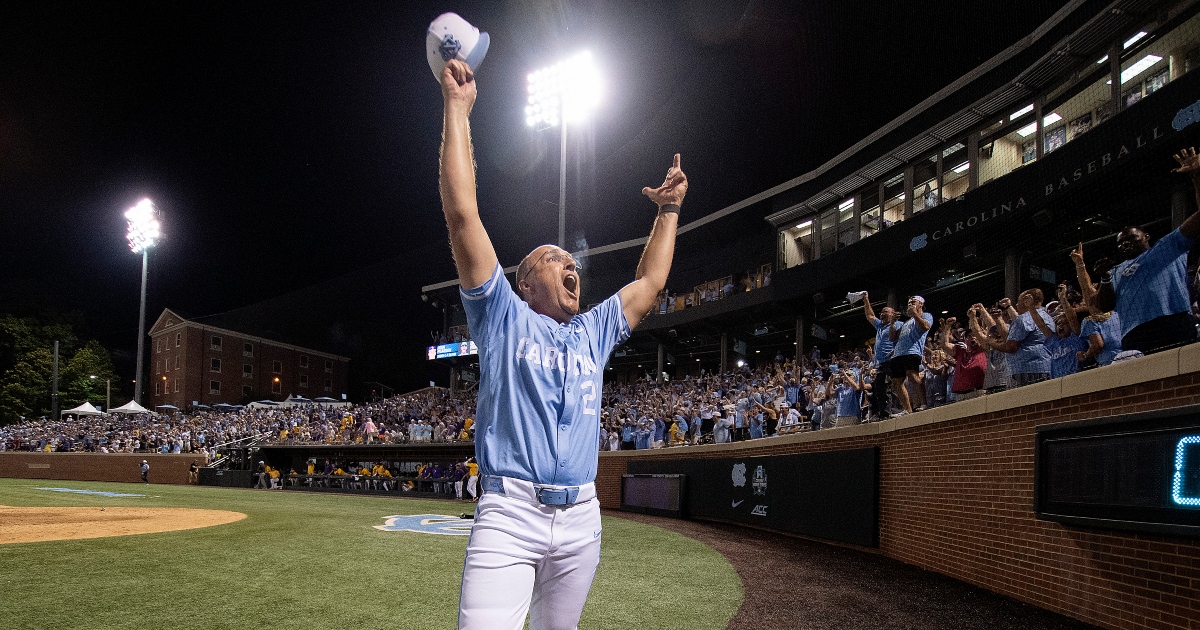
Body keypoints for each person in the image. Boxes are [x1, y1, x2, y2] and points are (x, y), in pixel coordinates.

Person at [439, 58, 686, 629]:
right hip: (509, 514)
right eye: (555, 260)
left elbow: (648, 284)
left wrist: (668, 212)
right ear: (524, 283)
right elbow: (461, 213)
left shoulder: (590, 332)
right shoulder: (502, 314)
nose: (570, 265)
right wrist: (457, 109)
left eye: (573, 261)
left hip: (580, 519)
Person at [988, 290, 1055, 388]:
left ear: (1026, 301)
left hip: (1025, 371)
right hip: (1047, 367)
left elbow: (1011, 347)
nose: (1016, 304)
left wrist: (991, 343)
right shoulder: (1047, 316)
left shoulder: (1024, 318)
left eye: (1018, 301)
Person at [888, 296, 933, 414]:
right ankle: (907, 409)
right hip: (898, 354)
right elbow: (892, 337)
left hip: (912, 351)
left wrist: (915, 314)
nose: (910, 304)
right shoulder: (906, 323)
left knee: (912, 375)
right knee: (896, 382)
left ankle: (924, 403)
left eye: (913, 302)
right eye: (909, 303)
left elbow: (925, 327)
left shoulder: (926, 316)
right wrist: (892, 323)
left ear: (921, 304)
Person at [862, 293, 898, 419]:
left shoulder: (897, 325)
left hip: (891, 362)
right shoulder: (880, 326)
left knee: (888, 387)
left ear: (893, 314)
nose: (882, 314)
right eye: (881, 312)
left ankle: (891, 411)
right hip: (880, 364)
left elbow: (903, 340)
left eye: (885, 312)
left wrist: (895, 351)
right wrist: (866, 299)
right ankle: (883, 412)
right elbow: (870, 315)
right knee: (879, 388)